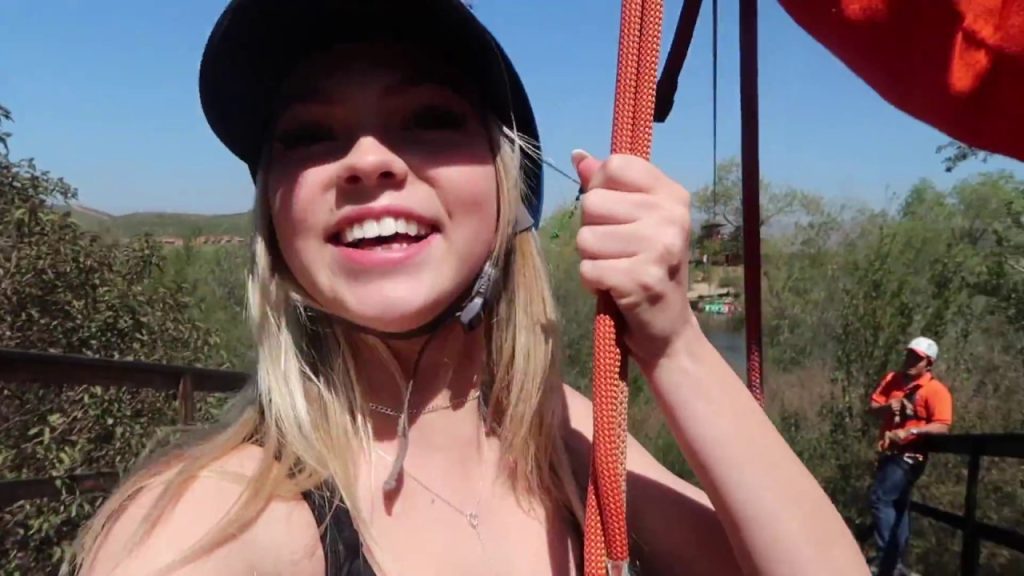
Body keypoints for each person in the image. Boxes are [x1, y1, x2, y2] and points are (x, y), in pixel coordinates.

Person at [68, 1, 867, 574]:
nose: (367, 160)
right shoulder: (210, 526)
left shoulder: (559, 430)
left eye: (428, 118)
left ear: (507, 194)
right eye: (308, 136)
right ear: (276, 218)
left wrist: (671, 339)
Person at [867, 337, 953, 576]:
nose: (911, 361)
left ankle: (888, 560)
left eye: (917, 358)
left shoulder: (936, 391)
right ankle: (896, 562)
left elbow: (942, 426)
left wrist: (911, 431)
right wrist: (887, 408)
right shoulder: (891, 380)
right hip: (888, 453)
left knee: (881, 498)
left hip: (910, 455)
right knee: (898, 505)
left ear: (929, 363)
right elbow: (872, 410)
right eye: (909, 355)